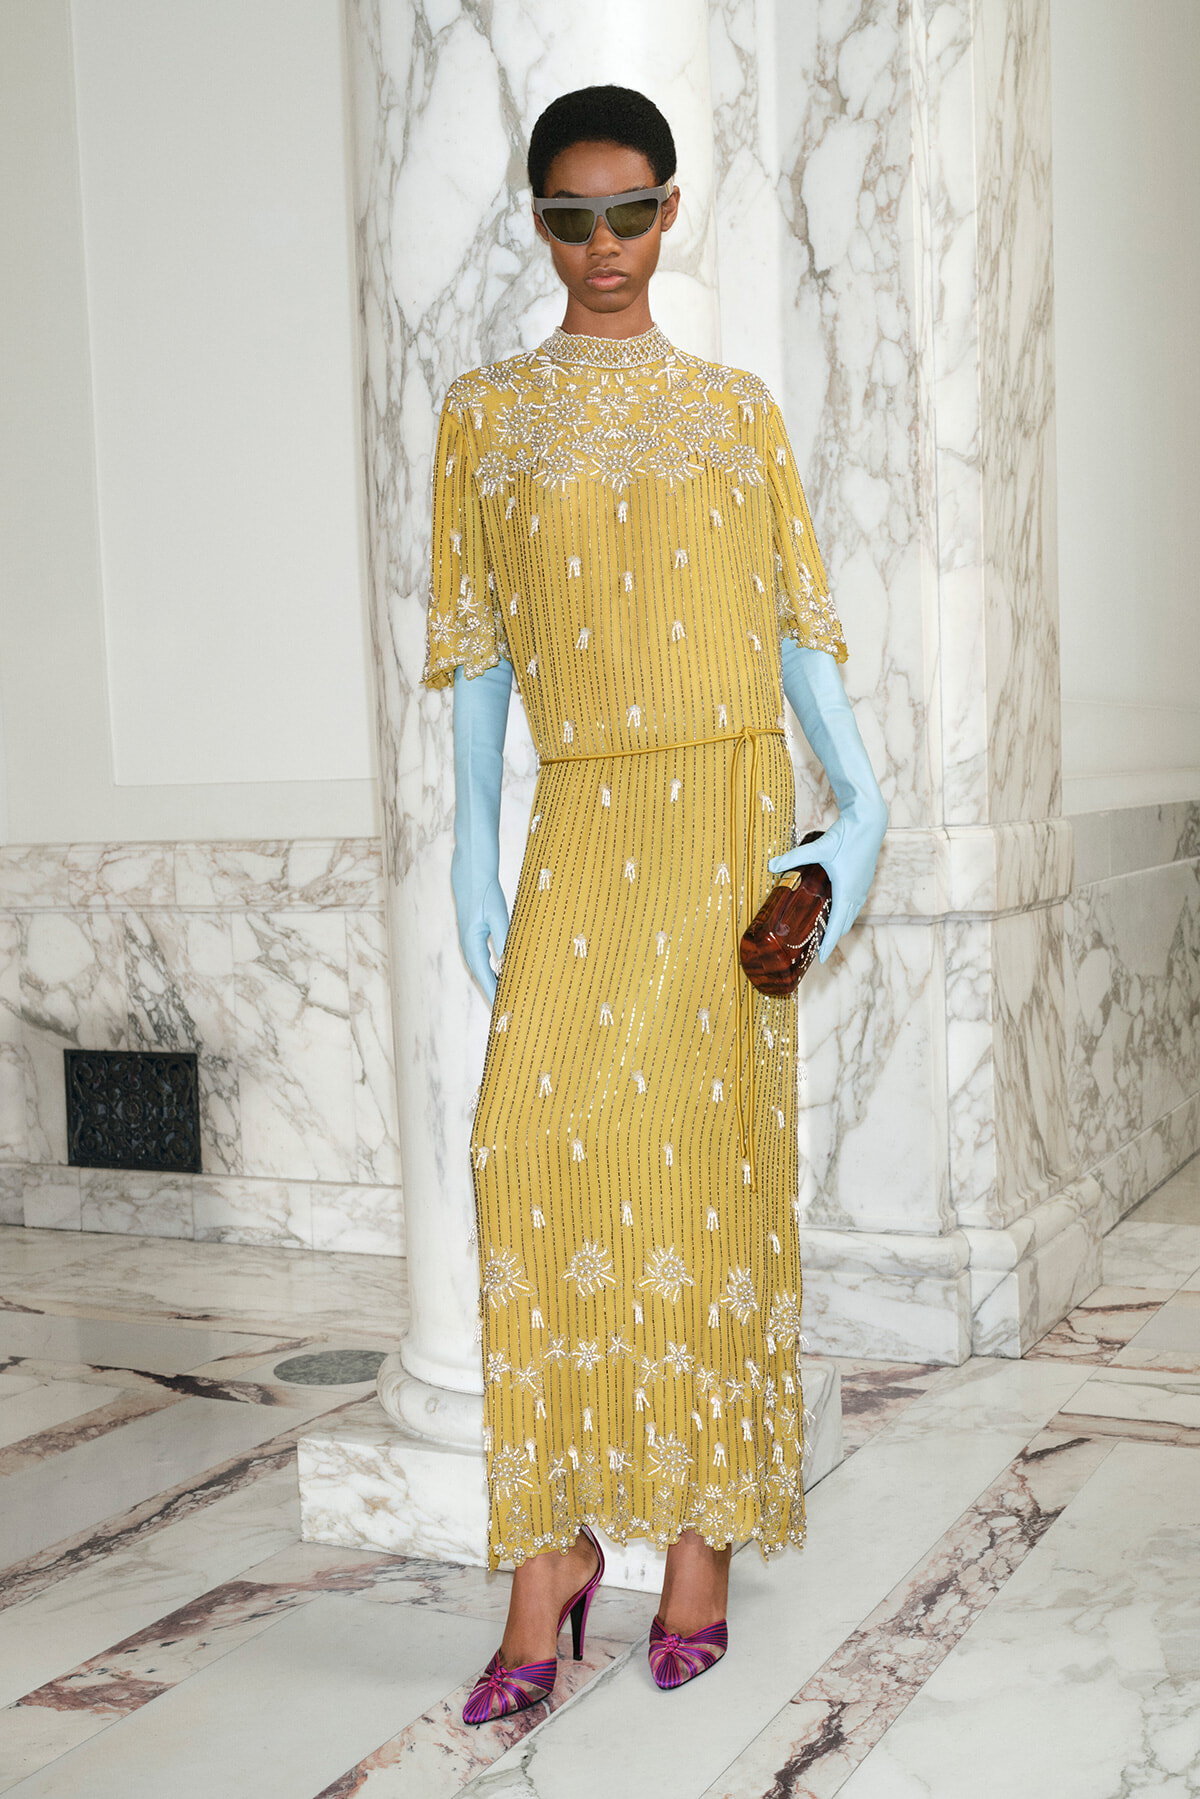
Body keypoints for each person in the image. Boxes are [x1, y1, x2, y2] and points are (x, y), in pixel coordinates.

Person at [421, 85, 887, 1721]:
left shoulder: (737, 410)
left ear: (673, 211)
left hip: (724, 813)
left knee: (708, 1168)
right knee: (520, 1147)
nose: (604, 246)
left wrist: (859, 812)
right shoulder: (482, 417)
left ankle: (701, 1543)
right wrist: (472, 855)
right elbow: (477, 656)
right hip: (582, 819)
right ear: (536, 223)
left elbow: (800, 636)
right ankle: (548, 1551)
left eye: (632, 211)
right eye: (570, 216)